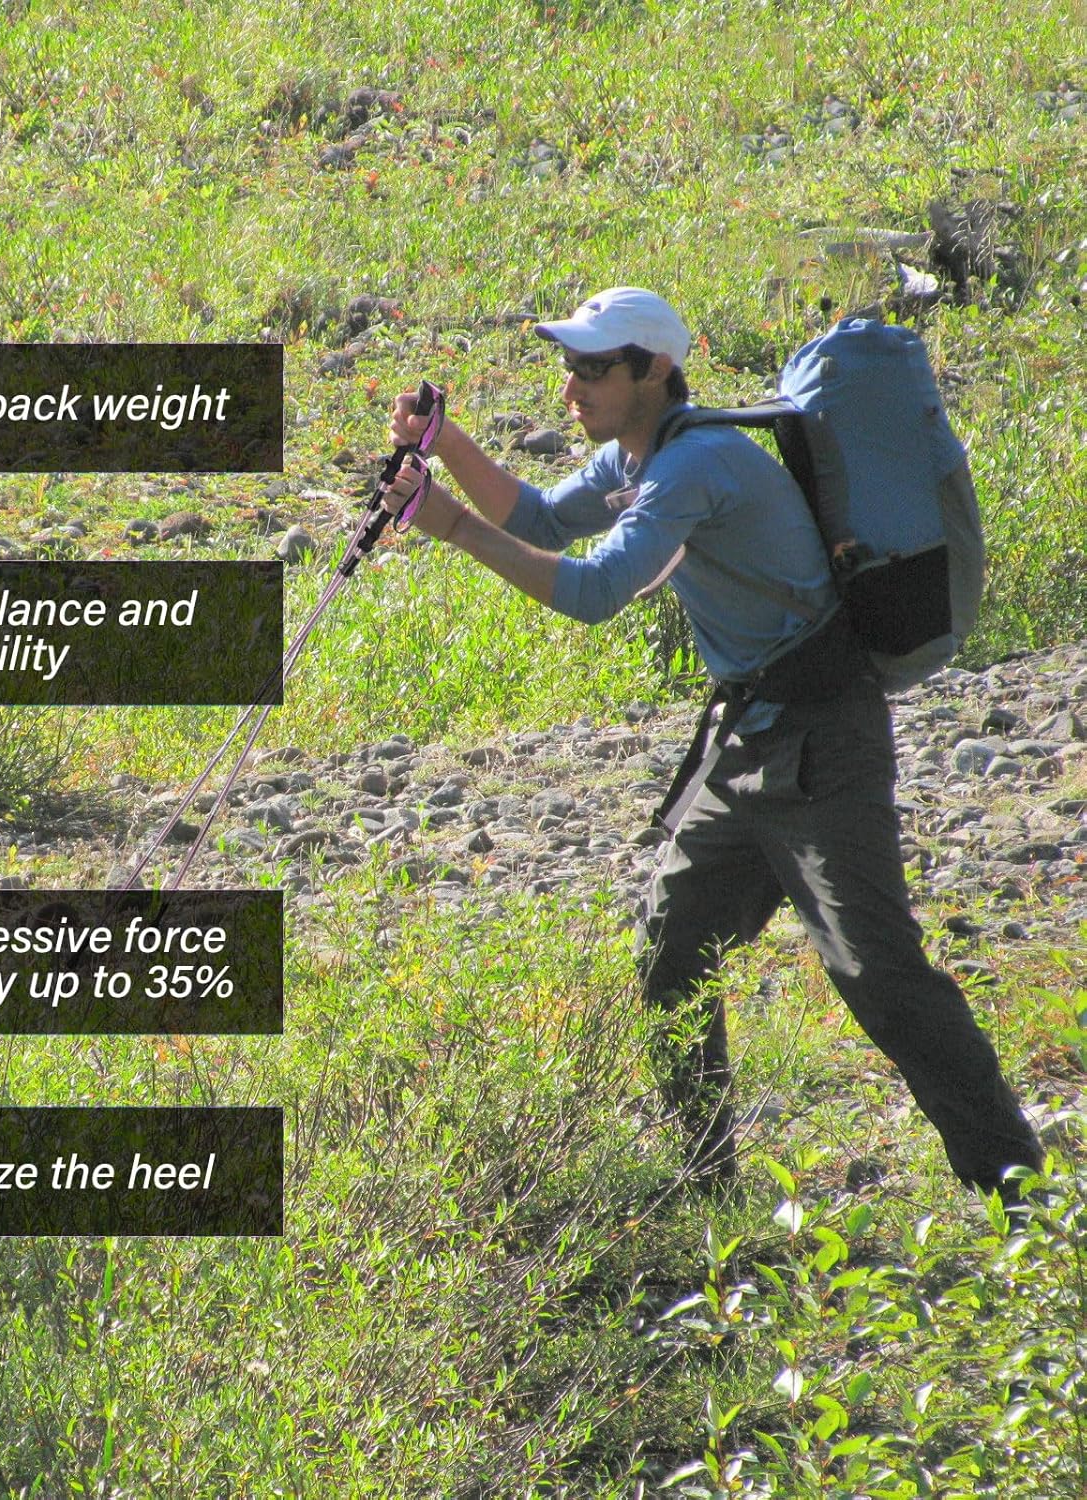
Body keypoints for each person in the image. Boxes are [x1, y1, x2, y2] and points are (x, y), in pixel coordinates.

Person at [378, 285, 1043, 1204]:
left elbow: (594, 593)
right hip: (747, 742)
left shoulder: (696, 465)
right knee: (671, 953)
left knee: (878, 973)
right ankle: (712, 1198)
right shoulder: (636, 455)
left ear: (655, 369)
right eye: (569, 365)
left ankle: (1020, 1191)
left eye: (593, 368)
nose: (571, 387)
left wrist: (448, 522)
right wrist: (445, 443)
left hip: (825, 737)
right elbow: (540, 521)